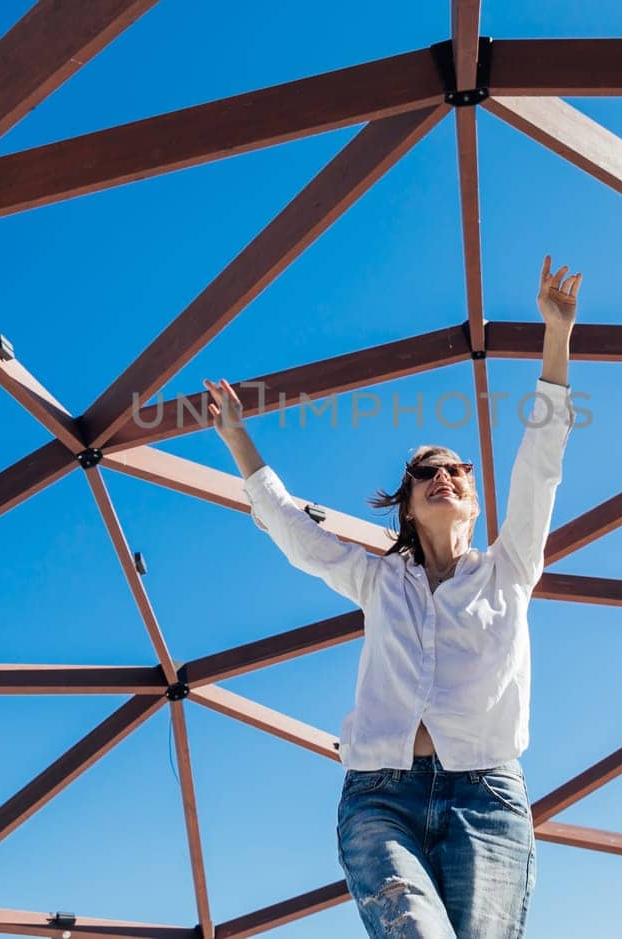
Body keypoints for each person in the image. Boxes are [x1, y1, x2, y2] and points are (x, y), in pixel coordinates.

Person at [202, 255, 581, 938]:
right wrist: (239, 440)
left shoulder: (510, 566)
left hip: (488, 799)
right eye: (425, 471)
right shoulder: (380, 579)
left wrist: (557, 336)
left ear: (472, 496)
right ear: (407, 503)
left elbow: (541, 465)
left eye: (457, 469)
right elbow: (295, 535)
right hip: (383, 795)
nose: (444, 475)